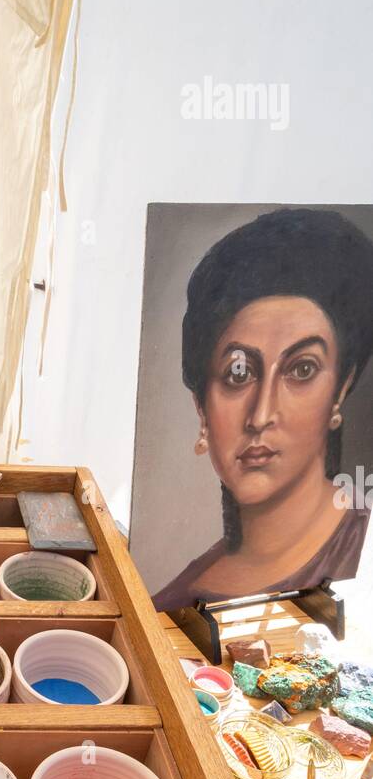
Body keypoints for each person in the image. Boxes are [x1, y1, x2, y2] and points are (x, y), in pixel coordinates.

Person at [153, 209, 373, 611]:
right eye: (239, 373)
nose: (260, 415)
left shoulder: (364, 555)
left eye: (301, 369)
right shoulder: (170, 606)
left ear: (340, 389)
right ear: (202, 407)